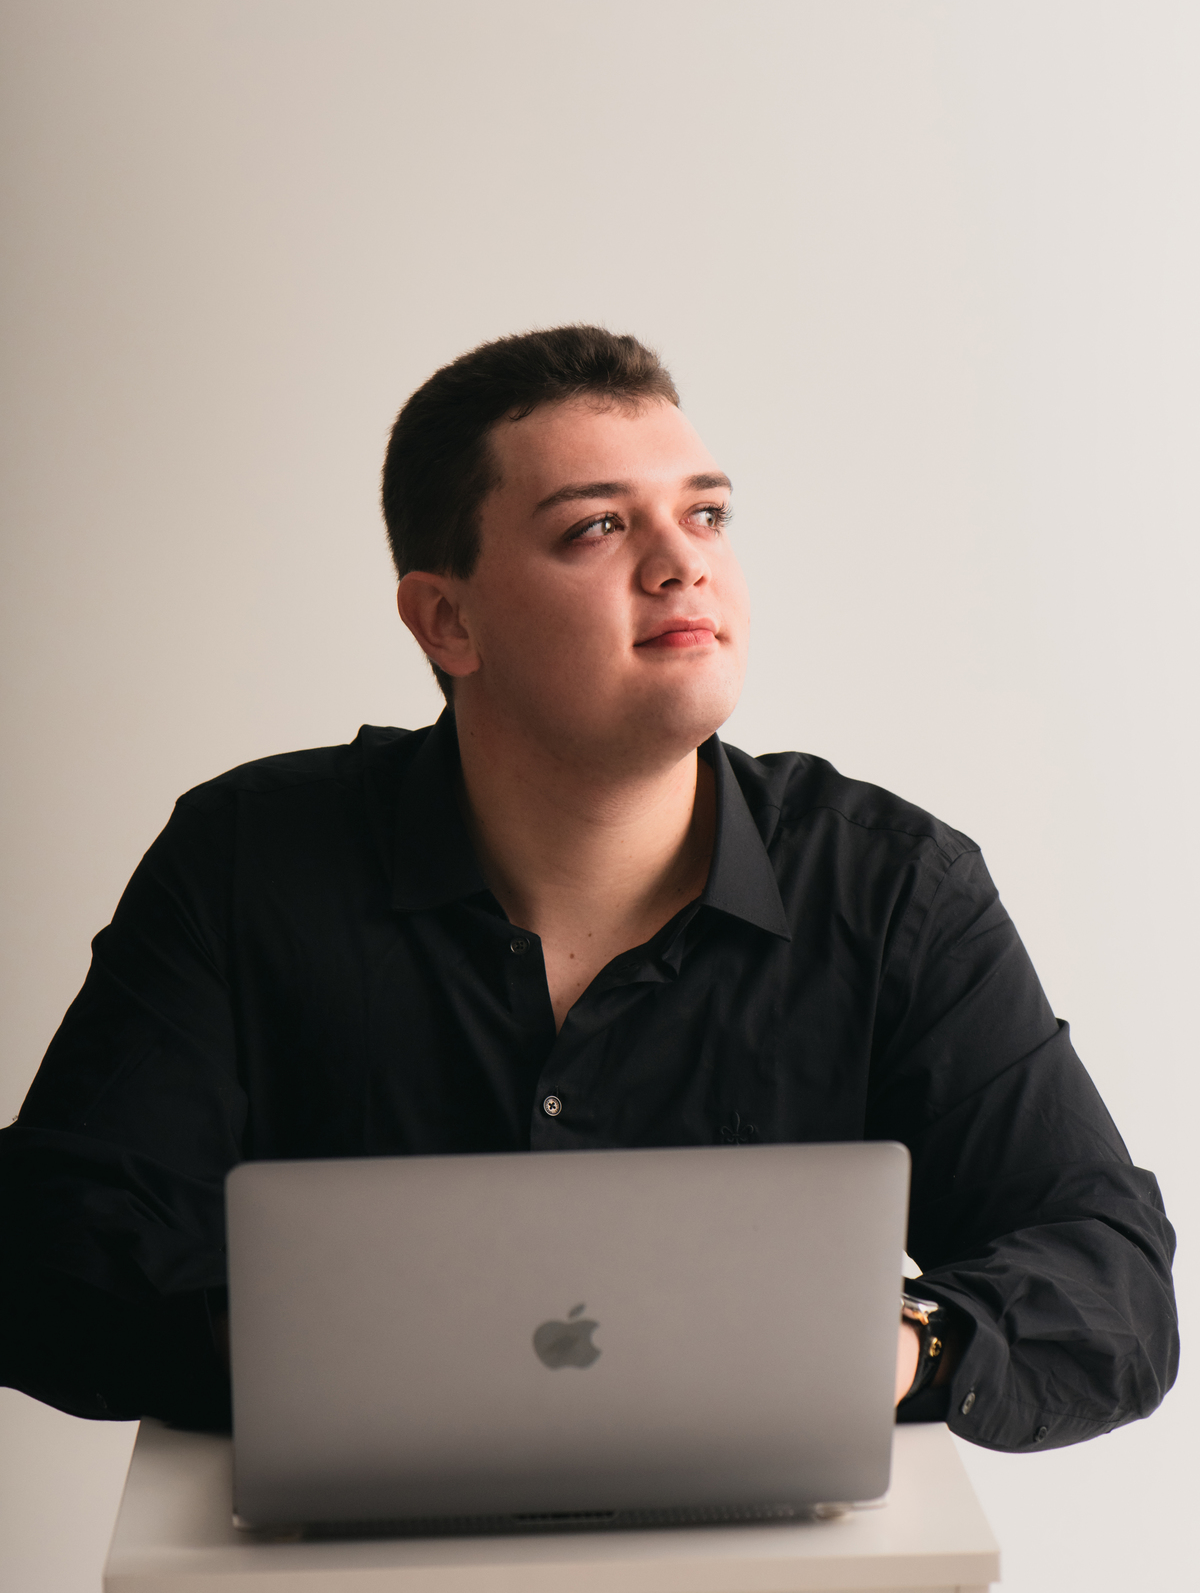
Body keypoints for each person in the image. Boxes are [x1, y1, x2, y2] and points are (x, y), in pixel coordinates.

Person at [0, 325, 1178, 1446]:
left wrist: (896, 1346)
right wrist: (345, 1350)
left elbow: (1109, 1274)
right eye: (597, 527)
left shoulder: (894, 888)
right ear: (447, 620)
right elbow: (47, 1249)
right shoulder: (248, 861)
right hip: (345, 1547)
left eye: (706, 513)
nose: (684, 562)